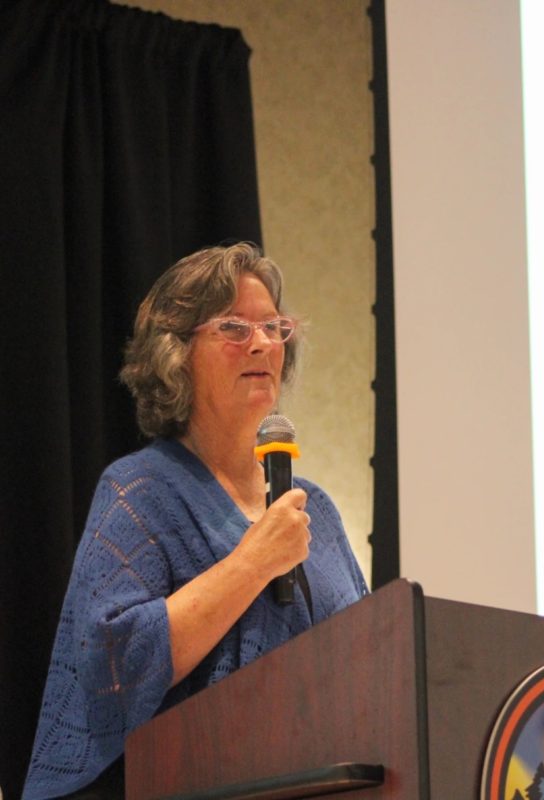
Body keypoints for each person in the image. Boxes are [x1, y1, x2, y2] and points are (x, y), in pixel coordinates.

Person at [23, 243, 368, 799]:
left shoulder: (316, 512)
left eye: (274, 327)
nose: (261, 343)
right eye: (233, 328)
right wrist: (254, 562)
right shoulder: (140, 492)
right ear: (175, 353)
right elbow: (112, 665)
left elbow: (371, 657)